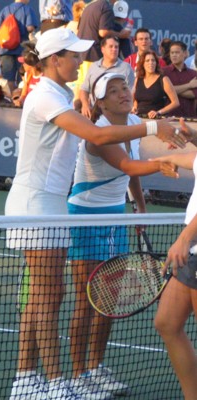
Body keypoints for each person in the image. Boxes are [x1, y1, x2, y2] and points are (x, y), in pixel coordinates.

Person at [5, 27, 192, 400]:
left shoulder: (58, 94)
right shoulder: (44, 95)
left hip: (54, 204)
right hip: (38, 203)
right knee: (49, 295)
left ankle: (27, 378)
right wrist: (158, 126)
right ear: (54, 60)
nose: (80, 61)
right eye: (73, 56)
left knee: (44, 297)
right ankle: (57, 383)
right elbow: (100, 137)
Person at [67, 72, 179, 400]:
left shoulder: (132, 120)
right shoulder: (98, 133)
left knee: (108, 302)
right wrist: (164, 163)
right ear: (100, 103)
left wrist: (140, 209)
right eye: (113, 92)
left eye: (124, 88)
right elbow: (128, 166)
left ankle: (96, 367)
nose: (122, 94)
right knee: (86, 302)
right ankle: (78, 376)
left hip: (116, 216)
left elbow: (132, 176)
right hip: (86, 217)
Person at [153, 150, 197, 400]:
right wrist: (161, 159)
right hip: (192, 247)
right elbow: (192, 159)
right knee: (167, 323)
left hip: (193, 241)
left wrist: (184, 238)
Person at [79, 34, 134, 118]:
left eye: (116, 47)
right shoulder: (94, 66)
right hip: (95, 113)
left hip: (117, 114)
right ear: (102, 49)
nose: (114, 49)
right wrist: (85, 105)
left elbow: (131, 92)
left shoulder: (126, 68)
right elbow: (84, 89)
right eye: (111, 47)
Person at [0, 0, 39, 91]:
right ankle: (19, 97)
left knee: (7, 78)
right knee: (22, 76)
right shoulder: (27, 10)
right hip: (21, 49)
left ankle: (10, 97)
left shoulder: (5, 9)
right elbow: (30, 27)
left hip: (6, 49)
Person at [132, 50, 179, 118]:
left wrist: (159, 112)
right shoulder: (138, 80)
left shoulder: (163, 79)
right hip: (139, 118)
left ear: (156, 63)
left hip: (156, 119)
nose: (151, 63)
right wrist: (135, 107)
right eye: (147, 61)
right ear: (142, 64)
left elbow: (175, 102)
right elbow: (136, 99)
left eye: (153, 60)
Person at [163, 41, 197, 118]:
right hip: (169, 117)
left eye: (177, 52)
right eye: (172, 53)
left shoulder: (194, 74)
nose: (174, 55)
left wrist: (171, 91)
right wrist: (189, 85)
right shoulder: (163, 72)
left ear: (185, 53)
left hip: (190, 118)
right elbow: (163, 91)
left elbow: (193, 94)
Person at [17, 41, 43, 105]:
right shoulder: (27, 76)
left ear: (31, 64)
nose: (23, 65)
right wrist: (20, 100)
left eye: (24, 63)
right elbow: (23, 94)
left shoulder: (45, 76)